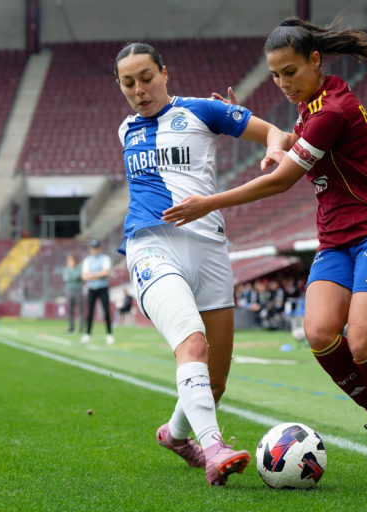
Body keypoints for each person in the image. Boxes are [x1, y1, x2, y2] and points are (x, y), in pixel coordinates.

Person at [162, 18, 367, 486]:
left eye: (290, 72)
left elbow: (283, 179)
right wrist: (262, 132)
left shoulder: (332, 110)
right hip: (335, 240)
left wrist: (209, 202)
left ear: (315, 60)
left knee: (364, 342)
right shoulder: (313, 106)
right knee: (321, 334)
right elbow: (294, 145)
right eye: (275, 76)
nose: (283, 83)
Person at [114, 41, 289, 486]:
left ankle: (175, 436)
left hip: (210, 249)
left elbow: (275, 133)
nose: (139, 89)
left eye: (146, 78)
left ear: (165, 73)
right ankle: (214, 448)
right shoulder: (126, 130)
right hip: (152, 247)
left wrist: (271, 149)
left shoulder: (201, 111)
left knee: (215, 382)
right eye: (128, 82)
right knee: (191, 345)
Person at [81, 239, 114, 345]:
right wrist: (97, 275)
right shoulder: (87, 260)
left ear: (99, 248)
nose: (95, 250)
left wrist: (92, 275)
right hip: (92, 289)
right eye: (93, 248)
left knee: (106, 312)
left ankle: (109, 334)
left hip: (103, 288)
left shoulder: (105, 258)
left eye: (96, 248)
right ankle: (87, 334)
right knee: (90, 312)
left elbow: (106, 272)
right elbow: (84, 276)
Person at [62, 253, 83, 333]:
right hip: (69, 291)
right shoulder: (66, 269)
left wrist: (73, 276)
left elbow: (79, 276)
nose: (69, 262)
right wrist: (75, 277)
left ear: (74, 260)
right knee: (70, 311)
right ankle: (71, 327)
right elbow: (66, 278)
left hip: (78, 291)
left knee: (80, 310)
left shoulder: (79, 267)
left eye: (71, 260)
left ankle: (81, 328)